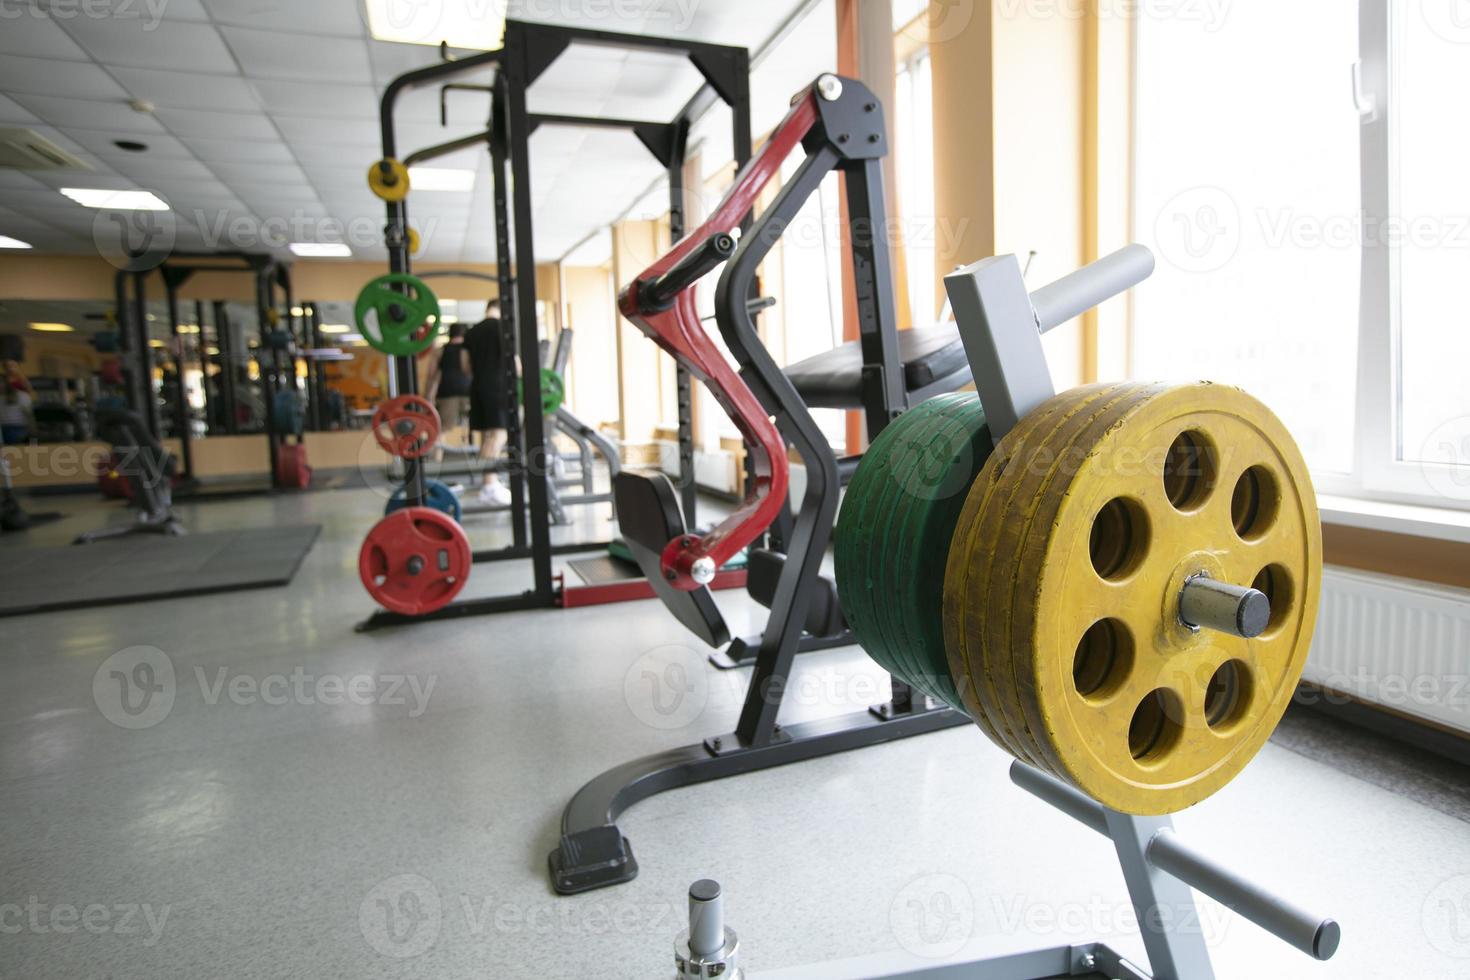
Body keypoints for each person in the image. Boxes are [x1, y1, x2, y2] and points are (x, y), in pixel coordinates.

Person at [464, 300, 512, 506]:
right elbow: (515, 364)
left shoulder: (472, 331)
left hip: (478, 387)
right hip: (499, 386)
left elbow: (465, 367)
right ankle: (489, 484)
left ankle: (488, 483)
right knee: (500, 433)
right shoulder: (504, 328)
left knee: (487, 435)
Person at [423, 321, 472, 452]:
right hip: (470, 392)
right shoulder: (470, 350)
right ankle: (483, 459)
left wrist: (428, 397)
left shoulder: (440, 351)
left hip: (447, 393)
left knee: (443, 429)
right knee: (481, 426)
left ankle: (436, 461)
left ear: (450, 334)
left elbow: (431, 375)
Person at [0, 381, 33, 445]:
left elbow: (28, 414)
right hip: (15, 427)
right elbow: (28, 415)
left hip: (16, 427)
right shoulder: (24, 396)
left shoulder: (22, 396)